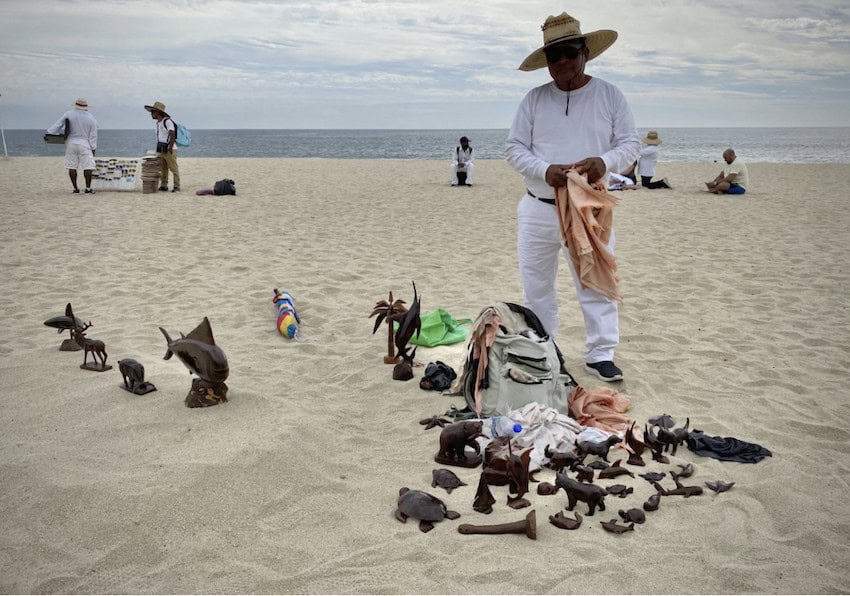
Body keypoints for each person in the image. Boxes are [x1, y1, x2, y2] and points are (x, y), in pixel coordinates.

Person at [505, 11, 640, 382]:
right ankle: (545, 347)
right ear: (546, 62)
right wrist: (543, 170)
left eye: (569, 52)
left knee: (594, 281)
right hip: (537, 207)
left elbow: (630, 144)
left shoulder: (609, 95)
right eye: (554, 56)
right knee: (536, 285)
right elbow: (514, 149)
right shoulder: (533, 100)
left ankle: (600, 353)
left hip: (590, 209)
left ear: (585, 52)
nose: (562, 61)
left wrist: (605, 162)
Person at [45, 98, 98, 194]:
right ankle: (88, 188)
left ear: (75, 105)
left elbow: (58, 125)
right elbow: (93, 135)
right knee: (88, 167)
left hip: (71, 143)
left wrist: (49, 132)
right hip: (84, 144)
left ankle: (75, 188)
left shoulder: (69, 114)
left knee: (72, 167)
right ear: (86, 107)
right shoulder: (91, 118)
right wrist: (93, 148)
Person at [144, 101, 180, 192]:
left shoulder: (167, 121)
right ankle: (164, 185)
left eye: (153, 112)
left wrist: (170, 147)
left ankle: (177, 186)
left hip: (169, 149)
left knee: (173, 168)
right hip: (161, 148)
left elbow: (172, 133)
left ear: (158, 112)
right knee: (163, 168)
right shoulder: (158, 123)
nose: (151, 114)